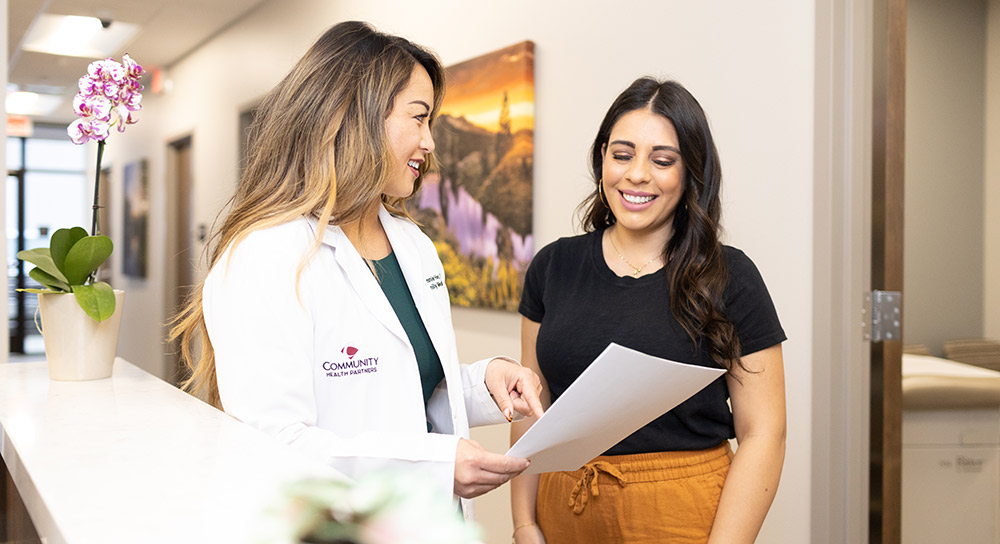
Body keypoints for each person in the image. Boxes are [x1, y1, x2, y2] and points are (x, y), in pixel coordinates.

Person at [170, 20, 543, 519]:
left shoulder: (412, 244)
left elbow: (405, 381)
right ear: (355, 116)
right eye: (419, 118)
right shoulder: (266, 254)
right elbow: (274, 441)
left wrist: (486, 381)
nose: (430, 142)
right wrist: (433, 466)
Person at [510, 78, 786, 543]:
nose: (637, 175)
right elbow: (531, 412)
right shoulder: (553, 266)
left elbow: (764, 433)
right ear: (602, 159)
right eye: (622, 155)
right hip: (564, 509)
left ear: (691, 172)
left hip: (684, 515)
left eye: (662, 161)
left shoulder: (730, 276)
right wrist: (523, 523)